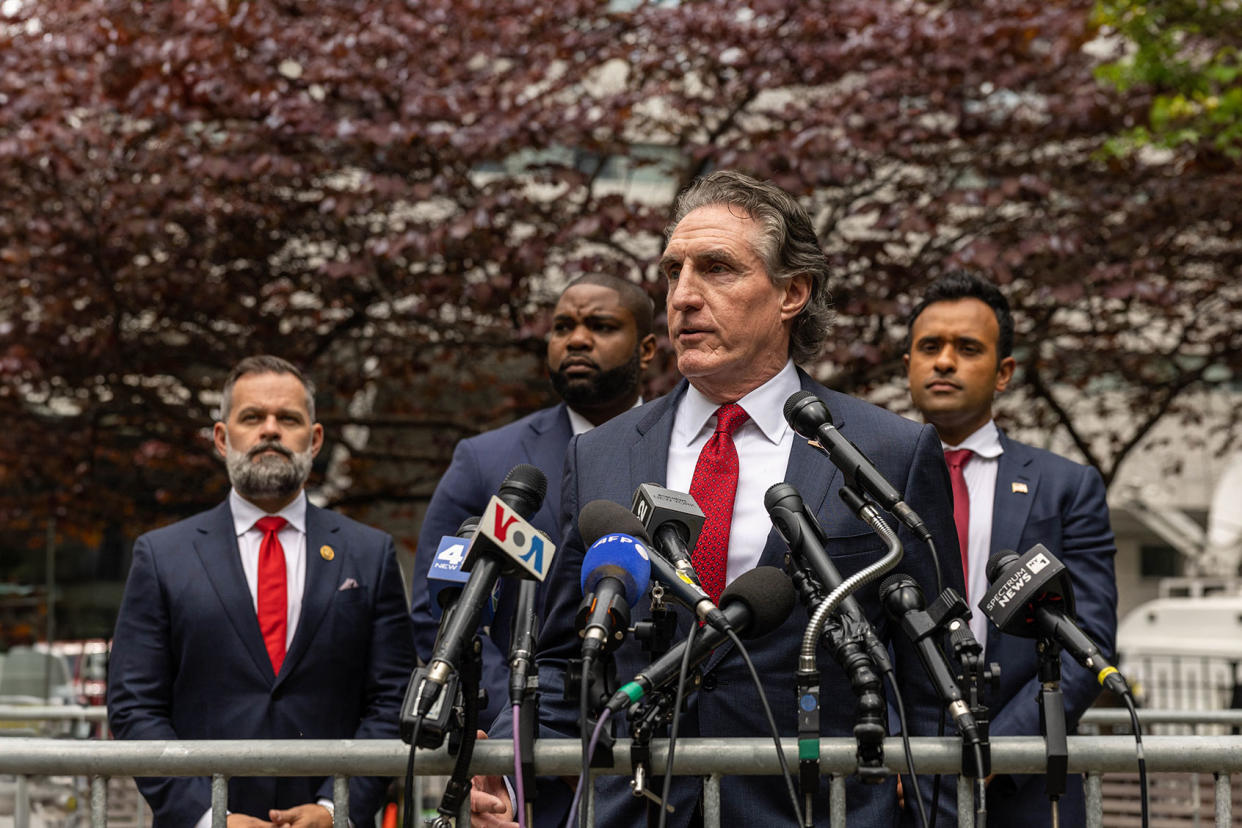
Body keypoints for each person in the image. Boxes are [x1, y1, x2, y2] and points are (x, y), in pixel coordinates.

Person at [472, 171, 964, 827]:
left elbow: (929, 671)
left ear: (792, 292)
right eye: (673, 272)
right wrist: (525, 774)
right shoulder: (599, 454)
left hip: (816, 808)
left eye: (716, 269)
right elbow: (564, 652)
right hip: (635, 809)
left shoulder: (887, 451)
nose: (682, 296)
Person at [108, 355, 415, 828]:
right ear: (221, 437)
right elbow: (135, 706)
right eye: (252, 417)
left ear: (314, 440)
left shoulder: (369, 553)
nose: (269, 431)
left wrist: (337, 807)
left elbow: (392, 698)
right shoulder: (161, 556)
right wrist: (210, 816)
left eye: (287, 419)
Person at [903, 271, 1118, 827]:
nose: (944, 361)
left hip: (1025, 780)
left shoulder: (1066, 485)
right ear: (908, 363)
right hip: (902, 776)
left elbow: (1088, 633)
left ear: (1003, 373)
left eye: (967, 348)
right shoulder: (864, 480)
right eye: (930, 347)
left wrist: (1000, 750)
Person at [410, 274, 658, 730]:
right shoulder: (485, 462)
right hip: (520, 755)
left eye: (601, 326)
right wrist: (525, 719)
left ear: (646, 349)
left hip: (654, 740)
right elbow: (437, 610)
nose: (576, 340)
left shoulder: (685, 452)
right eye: (562, 327)